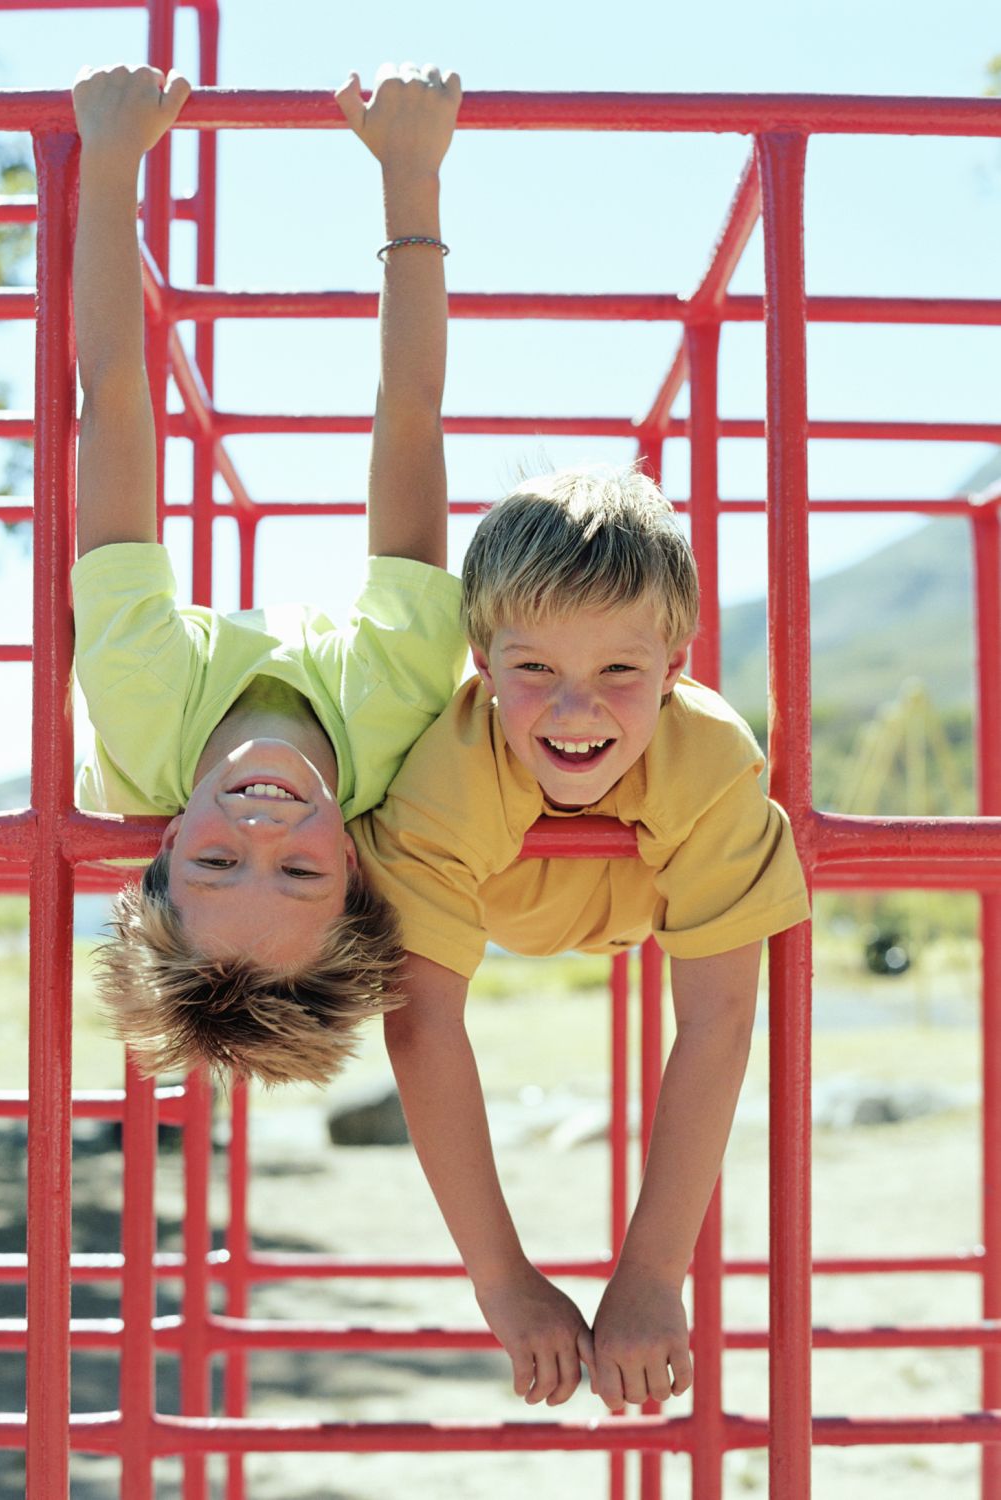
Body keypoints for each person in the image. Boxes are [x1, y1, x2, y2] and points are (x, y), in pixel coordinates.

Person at [350, 464, 811, 1412]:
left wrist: (651, 1273)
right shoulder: (447, 773)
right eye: (533, 670)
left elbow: (719, 1018)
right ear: (480, 661)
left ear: (675, 664)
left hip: (646, 894)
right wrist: (502, 1280)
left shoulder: (711, 758)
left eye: (618, 670)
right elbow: (423, 1025)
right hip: (499, 895)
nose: (574, 709)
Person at [70, 61, 464, 1087]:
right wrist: (411, 174)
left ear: (156, 857)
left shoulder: (141, 701)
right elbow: (412, 416)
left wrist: (109, 167)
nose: (260, 827)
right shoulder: (398, 706)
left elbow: (113, 397)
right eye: (297, 871)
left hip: (152, 720)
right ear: (355, 872)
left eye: (212, 863)